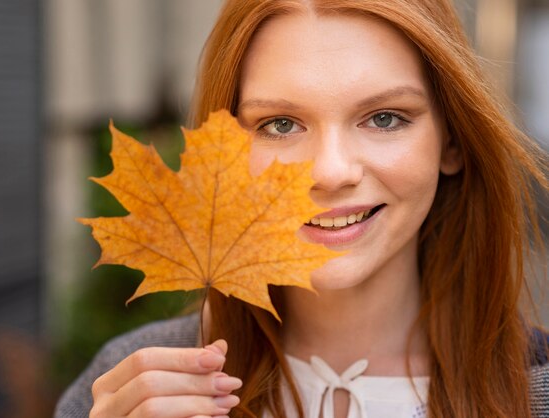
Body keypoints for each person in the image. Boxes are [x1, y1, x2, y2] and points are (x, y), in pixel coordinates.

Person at [55, 0, 549, 417]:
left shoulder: (538, 392)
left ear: (452, 141)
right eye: (281, 125)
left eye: (384, 117)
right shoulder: (130, 387)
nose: (330, 172)